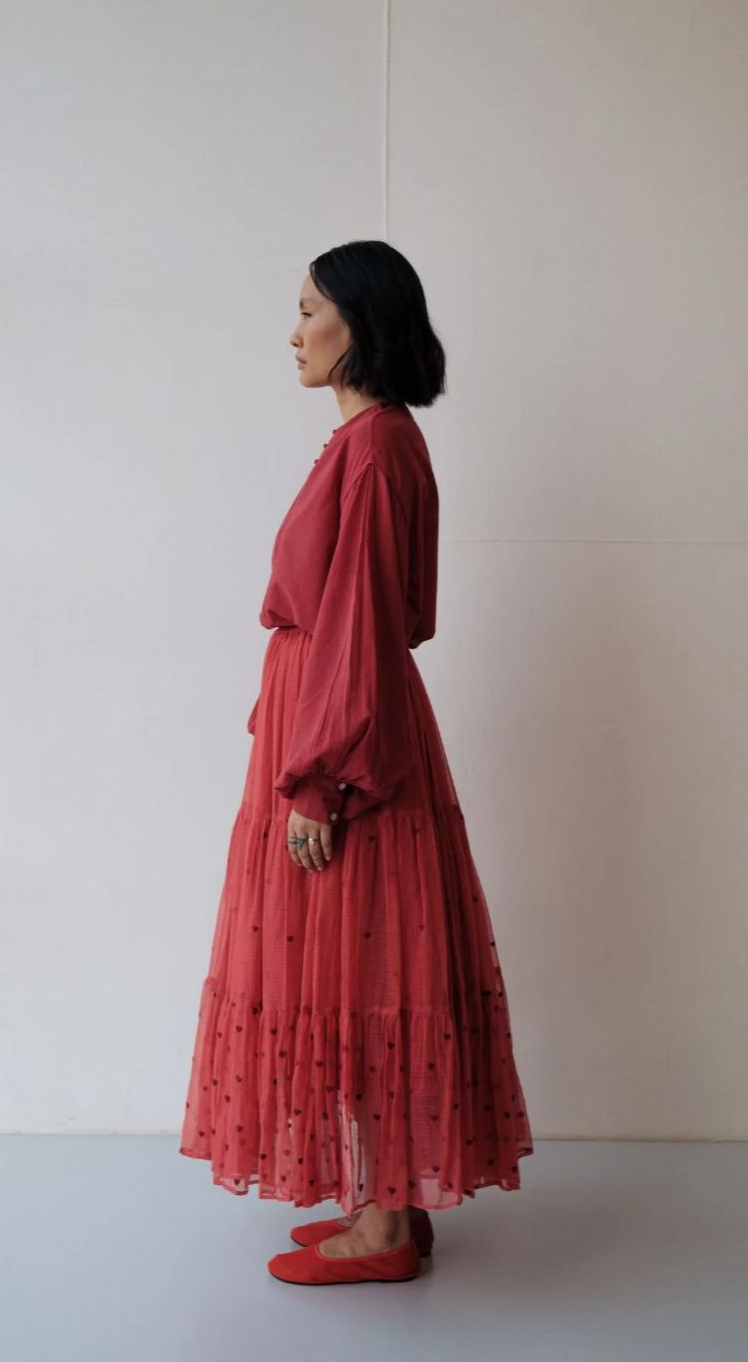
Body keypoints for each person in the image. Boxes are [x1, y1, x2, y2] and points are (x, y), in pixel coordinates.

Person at [179, 239, 533, 1286]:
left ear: (361, 323)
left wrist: (321, 778)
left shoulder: (374, 448)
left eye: (309, 311)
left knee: (358, 966)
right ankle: (392, 1206)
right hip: (332, 718)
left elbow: (367, 624)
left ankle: (382, 1233)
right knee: (358, 961)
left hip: (345, 741)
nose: (293, 333)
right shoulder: (370, 443)